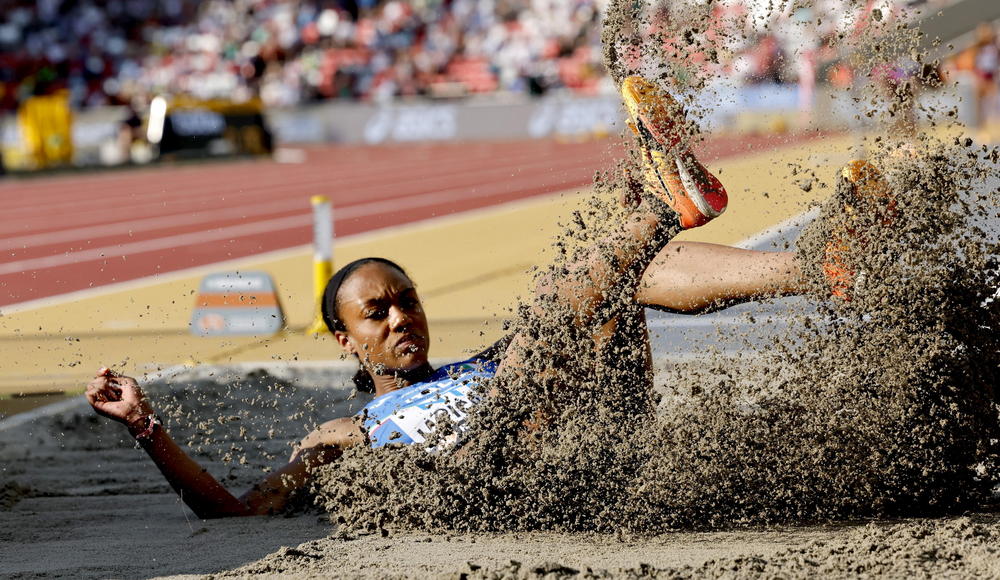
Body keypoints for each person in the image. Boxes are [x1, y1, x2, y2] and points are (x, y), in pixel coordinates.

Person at [86, 75, 880, 518]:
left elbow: (555, 347)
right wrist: (147, 427)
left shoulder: (485, 363)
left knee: (608, 291)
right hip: (497, 475)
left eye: (407, 299)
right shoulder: (347, 432)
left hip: (594, 442)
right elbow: (234, 515)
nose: (403, 316)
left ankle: (826, 268)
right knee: (551, 307)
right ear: (345, 341)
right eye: (378, 311)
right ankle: (665, 210)